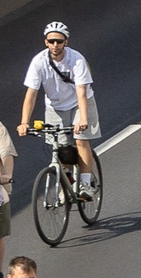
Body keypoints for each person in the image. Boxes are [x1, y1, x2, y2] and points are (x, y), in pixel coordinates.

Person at [20, 20, 99, 190]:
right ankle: (68, 186)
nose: (55, 45)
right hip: (55, 107)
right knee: (62, 149)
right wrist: (24, 122)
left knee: (80, 141)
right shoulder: (38, 61)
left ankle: (86, 184)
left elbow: (81, 92)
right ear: (46, 42)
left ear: (66, 42)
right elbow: (31, 94)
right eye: (51, 41)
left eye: (59, 41)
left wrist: (83, 119)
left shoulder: (76, 59)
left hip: (80, 104)